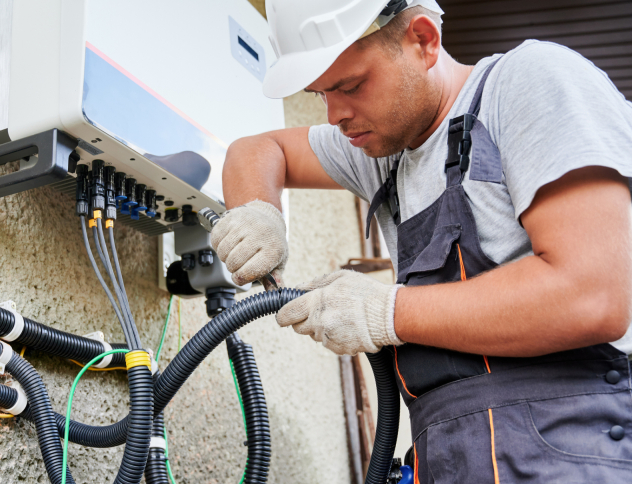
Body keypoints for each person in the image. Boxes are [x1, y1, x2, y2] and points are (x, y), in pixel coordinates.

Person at [209, 0, 632, 481]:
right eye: (320, 92)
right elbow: (255, 150)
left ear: (424, 40)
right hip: (450, 457)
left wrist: (382, 313)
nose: (336, 115)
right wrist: (258, 211)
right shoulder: (381, 153)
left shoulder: (527, 82)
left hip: (574, 451)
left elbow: (592, 295)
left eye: (350, 85)